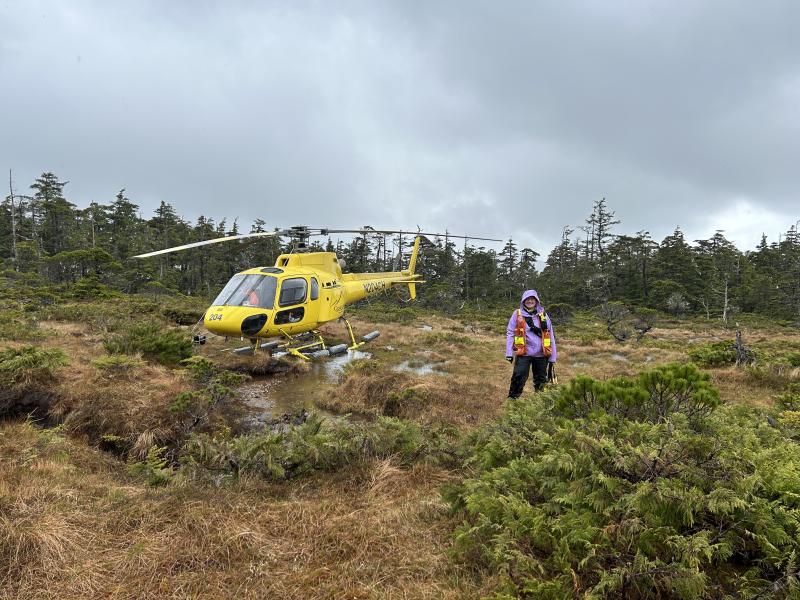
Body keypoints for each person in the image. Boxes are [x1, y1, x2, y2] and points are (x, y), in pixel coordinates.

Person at [505, 289, 557, 398]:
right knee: (518, 377)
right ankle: (512, 402)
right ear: (523, 301)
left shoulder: (544, 315)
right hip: (524, 353)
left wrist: (553, 357)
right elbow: (510, 332)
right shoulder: (517, 314)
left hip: (541, 354)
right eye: (527, 299)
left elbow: (551, 335)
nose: (530, 301)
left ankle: (540, 403)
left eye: (532, 299)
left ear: (536, 301)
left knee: (541, 381)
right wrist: (509, 353)